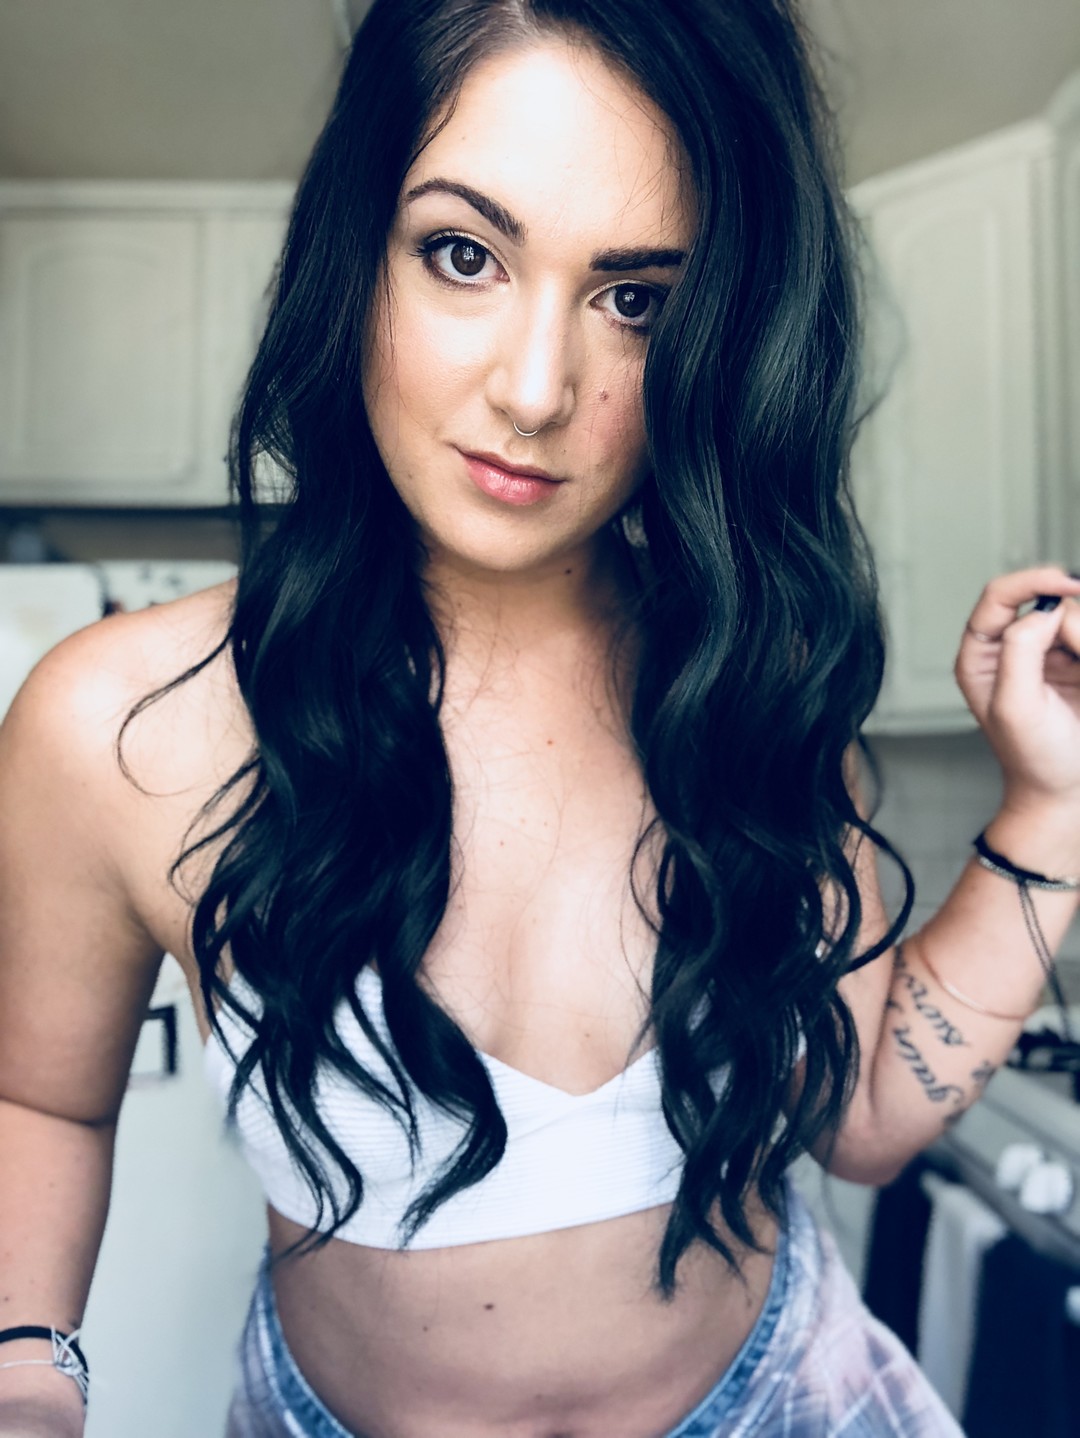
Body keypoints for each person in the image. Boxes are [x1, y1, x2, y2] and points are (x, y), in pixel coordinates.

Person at [1, 1, 1079, 1434]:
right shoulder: (116, 724)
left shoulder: (745, 685)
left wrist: (1054, 802)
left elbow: (867, 1115)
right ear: (356, 253)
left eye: (636, 300)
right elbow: (40, 1103)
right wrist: (26, 1372)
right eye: (464, 254)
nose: (533, 390)